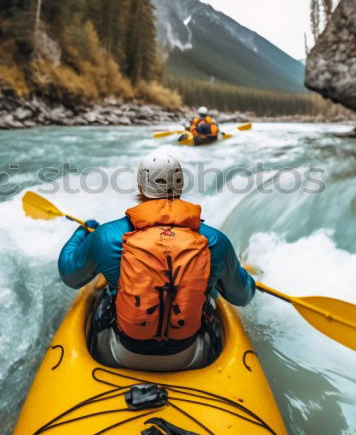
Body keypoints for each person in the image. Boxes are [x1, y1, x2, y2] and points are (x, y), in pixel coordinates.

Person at [58, 150, 255, 371]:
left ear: (141, 187)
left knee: (104, 296)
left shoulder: (106, 235)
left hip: (120, 353)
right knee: (210, 297)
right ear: (180, 186)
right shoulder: (215, 241)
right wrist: (225, 277)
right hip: (189, 355)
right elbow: (242, 295)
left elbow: (70, 276)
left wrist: (82, 233)